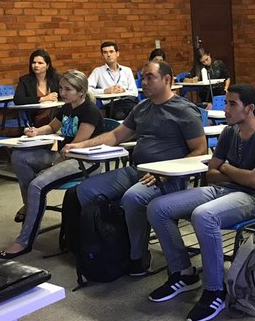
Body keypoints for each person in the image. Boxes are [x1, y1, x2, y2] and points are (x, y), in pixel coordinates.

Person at [146, 84, 255, 321]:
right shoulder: (229, 132)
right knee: (158, 208)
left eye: (232, 104)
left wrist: (226, 168)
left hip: (253, 198)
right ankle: (184, 273)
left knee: (203, 215)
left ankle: (215, 290)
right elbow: (211, 174)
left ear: (249, 108)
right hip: (221, 190)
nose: (225, 109)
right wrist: (237, 174)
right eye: (226, 103)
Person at [63, 61, 207, 275]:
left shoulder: (184, 110)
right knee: (86, 189)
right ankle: (112, 244)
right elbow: (116, 135)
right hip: (137, 170)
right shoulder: (141, 107)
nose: (144, 82)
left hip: (168, 176)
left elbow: (200, 150)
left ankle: (137, 256)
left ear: (167, 80)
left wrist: (165, 173)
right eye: (143, 78)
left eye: (150, 77)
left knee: (133, 198)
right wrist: (81, 145)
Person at [0, 70, 103, 259]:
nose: (62, 92)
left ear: (81, 91)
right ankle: (30, 204)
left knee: (37, 185)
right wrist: (36, 131)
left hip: (83, 161)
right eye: (61, 88)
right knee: (19, 157)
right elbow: (53, 127)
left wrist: (50, 167)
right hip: (62, 154)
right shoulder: (67, 107)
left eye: (68, 89)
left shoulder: (89, 111)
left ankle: (23, 242)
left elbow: (75, 146)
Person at [88, 41, 139, 120]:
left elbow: (134, 92)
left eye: (111, 51)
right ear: (102, 55)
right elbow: (87, 89)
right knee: (119, 116)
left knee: (140, 113)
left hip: (128, 102)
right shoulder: (98, 71)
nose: (108, 55)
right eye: (105, 52)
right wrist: (104, 91)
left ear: (117, 53)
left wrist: (123, 90)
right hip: (111, 105)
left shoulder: (127, 70)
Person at [13, 49, 61, 127]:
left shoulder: (56, 79)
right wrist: (43, 99)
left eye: (40, 63)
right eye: (33, 62)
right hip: (35, 116)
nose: (36, 65)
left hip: (57, 115)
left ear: (47, 65)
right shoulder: (25, 81)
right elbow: (18, 100)